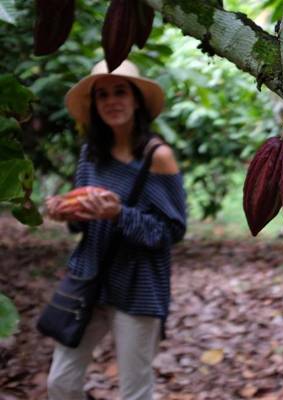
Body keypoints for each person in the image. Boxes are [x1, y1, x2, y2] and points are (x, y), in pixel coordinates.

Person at [44, 59, 187, 400]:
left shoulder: (158, 156)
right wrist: (65, 212)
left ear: (136, 99)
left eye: (120, 91)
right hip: (89, 278)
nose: (112, 101)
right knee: (60, 383)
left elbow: (172, 230)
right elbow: (82, 221)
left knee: (134, 393)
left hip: (139, 285)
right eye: (103, 95)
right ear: (94, 105)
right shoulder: (90, 155)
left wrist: (119, 214)